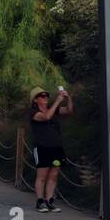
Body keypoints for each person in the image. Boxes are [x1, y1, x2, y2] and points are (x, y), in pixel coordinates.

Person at [30, 85, 72, 213]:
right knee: (42, 176)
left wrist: (68, 98)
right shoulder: (33, 112)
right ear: (35, 99)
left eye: (46, 95)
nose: (45, 97)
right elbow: (46, 117)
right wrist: (57, 101)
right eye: (42, 96)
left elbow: (69, 110)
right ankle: (40, 201)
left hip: (56, 147)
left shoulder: (52, 109)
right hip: (42, 147)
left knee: (53, 175)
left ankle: (49, 201)